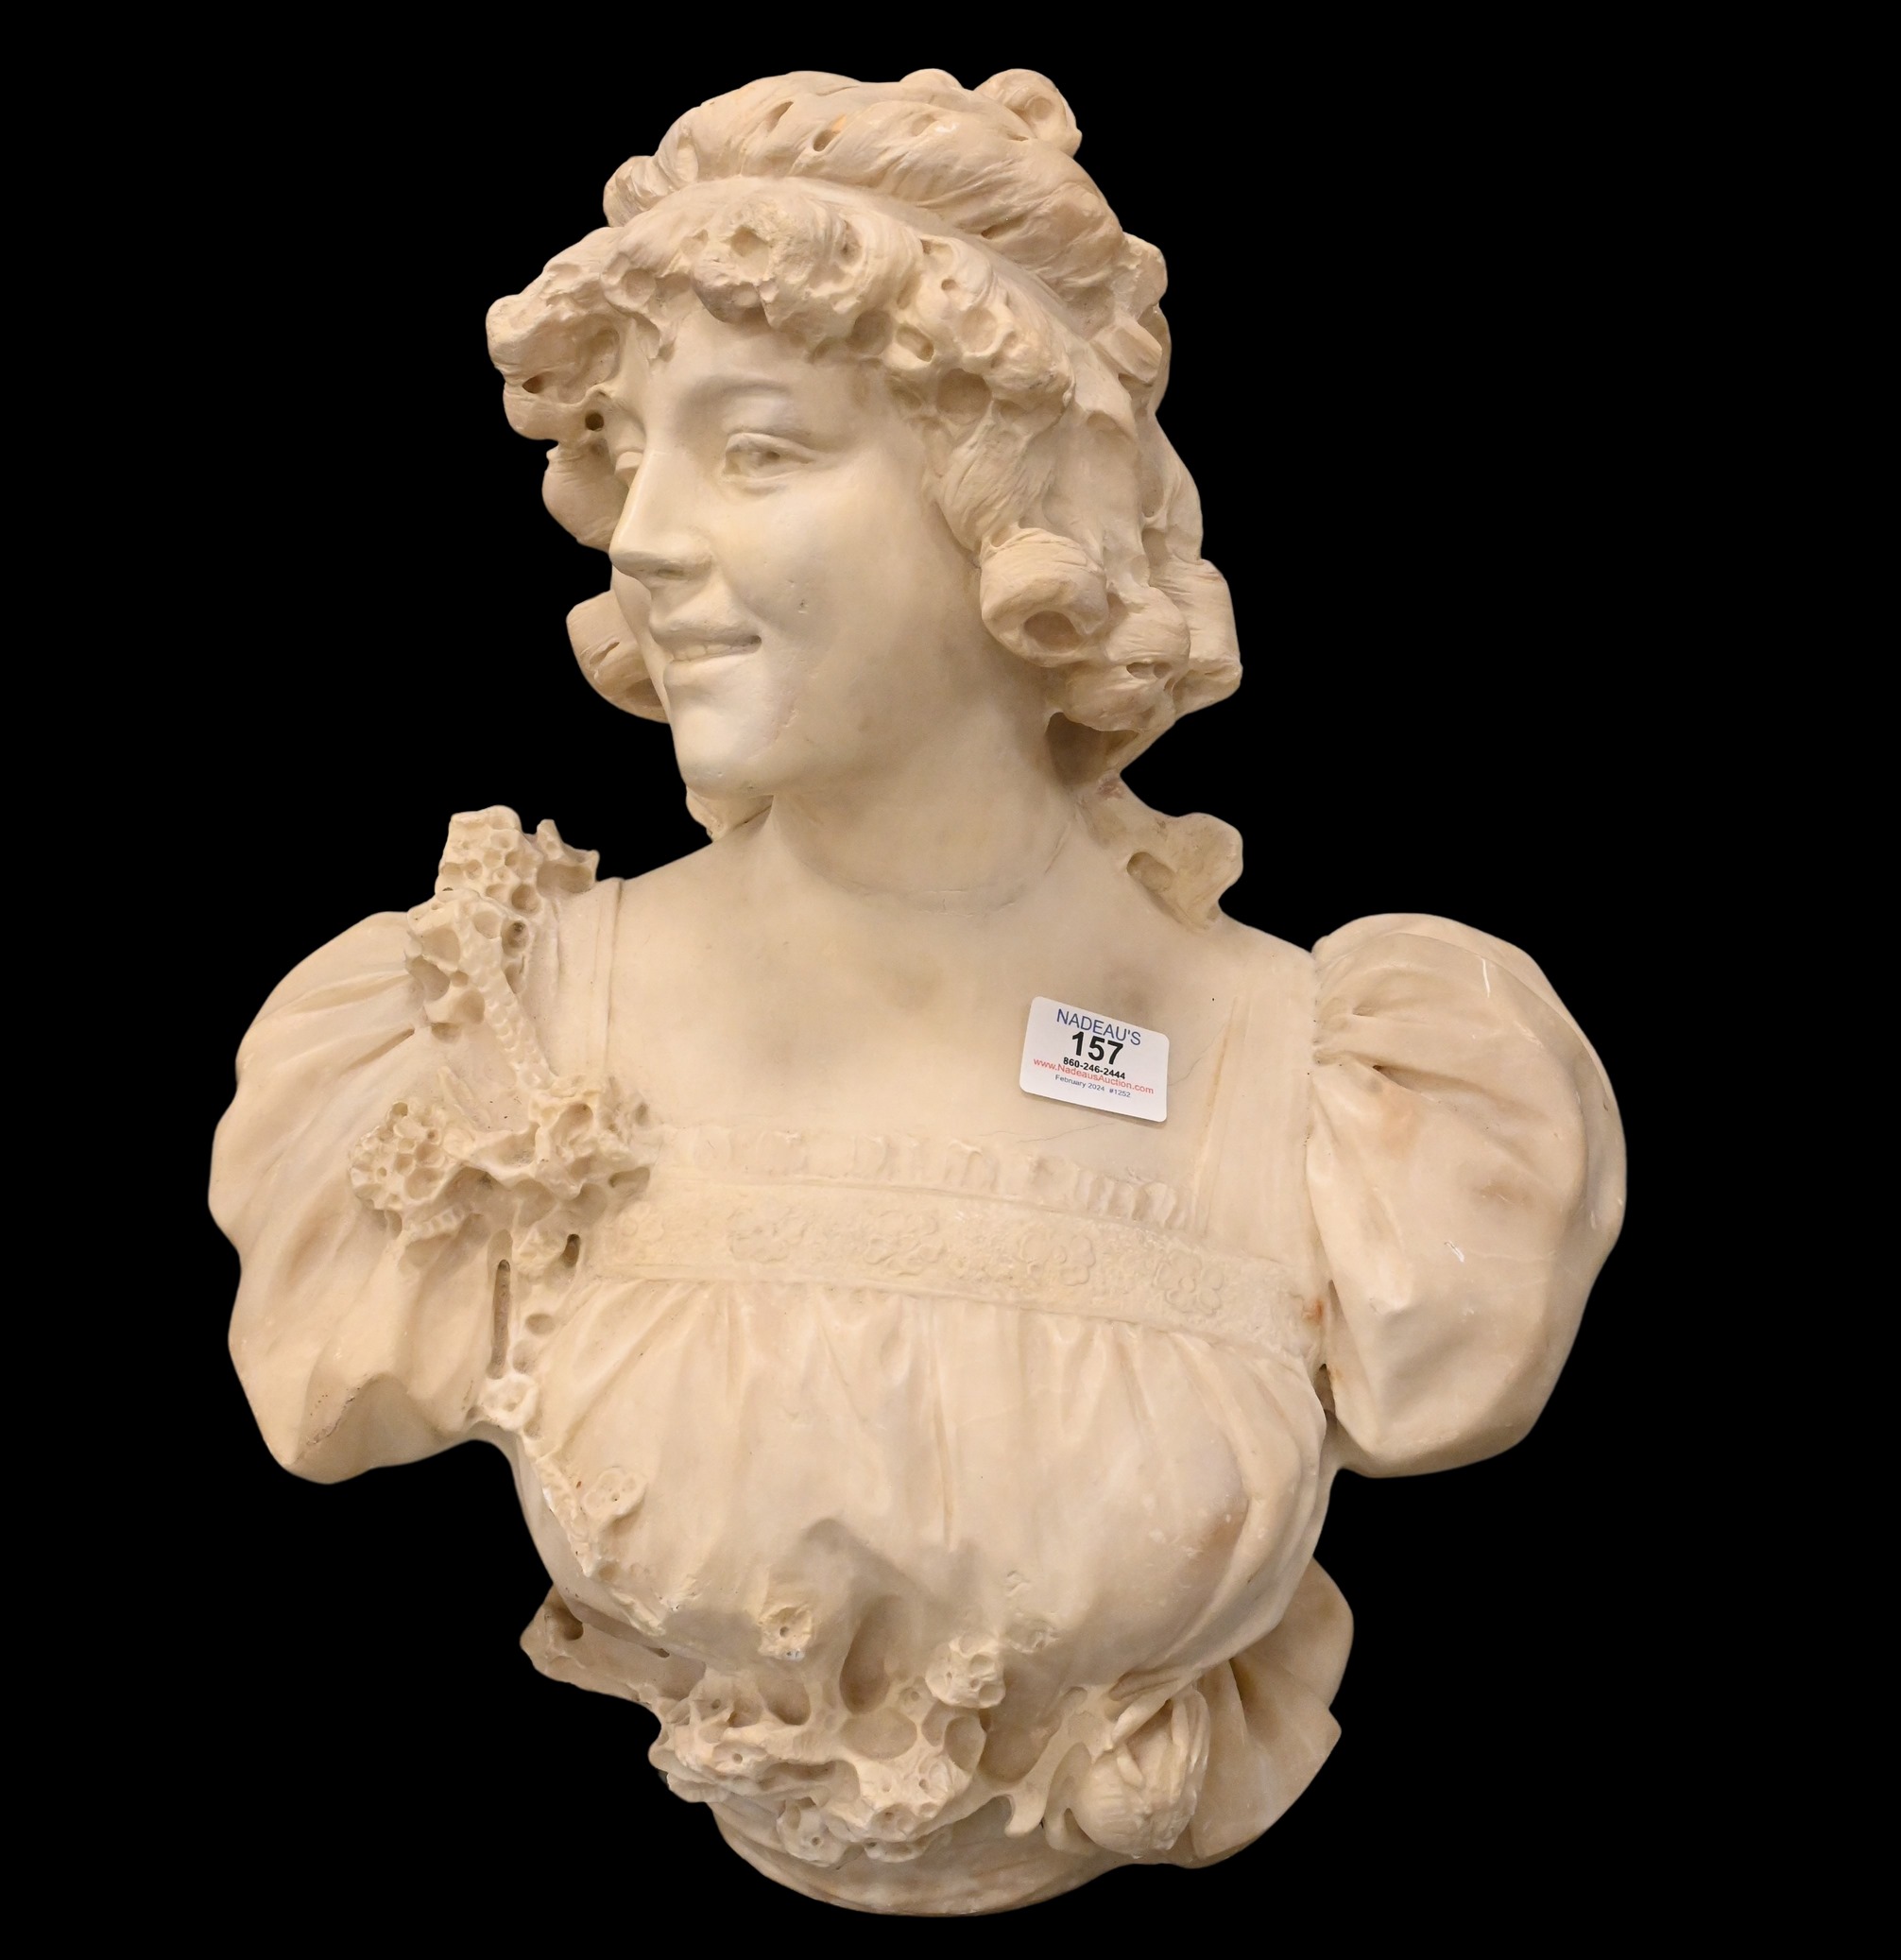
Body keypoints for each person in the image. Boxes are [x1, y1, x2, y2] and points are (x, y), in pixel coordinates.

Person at [213, 67, 1624, 1915]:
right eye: (627, 446)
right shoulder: (481, 1039)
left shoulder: (1359, 1092)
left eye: (758, 451)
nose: (643, 533)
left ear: (1009, 498)